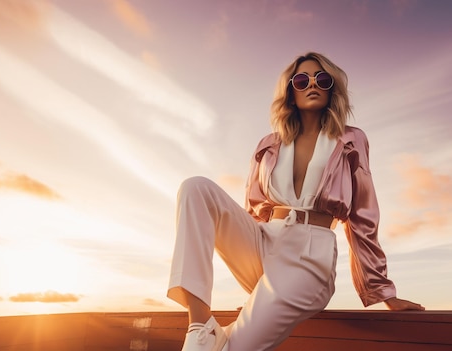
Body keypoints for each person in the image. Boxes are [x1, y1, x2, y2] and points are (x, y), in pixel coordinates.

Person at [167, 52, 425, 351]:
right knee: (196, 188)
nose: (311, 85)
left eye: (322, 79)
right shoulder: (268, 144)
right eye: (302, 80)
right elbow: (253, 211)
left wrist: (384, 293)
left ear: (332, 89)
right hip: (264, 243)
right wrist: (258, 294)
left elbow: (362, 217)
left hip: (309, 257)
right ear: (290, 91)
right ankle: (200, 325)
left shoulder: (351, 140)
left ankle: (218, 335)